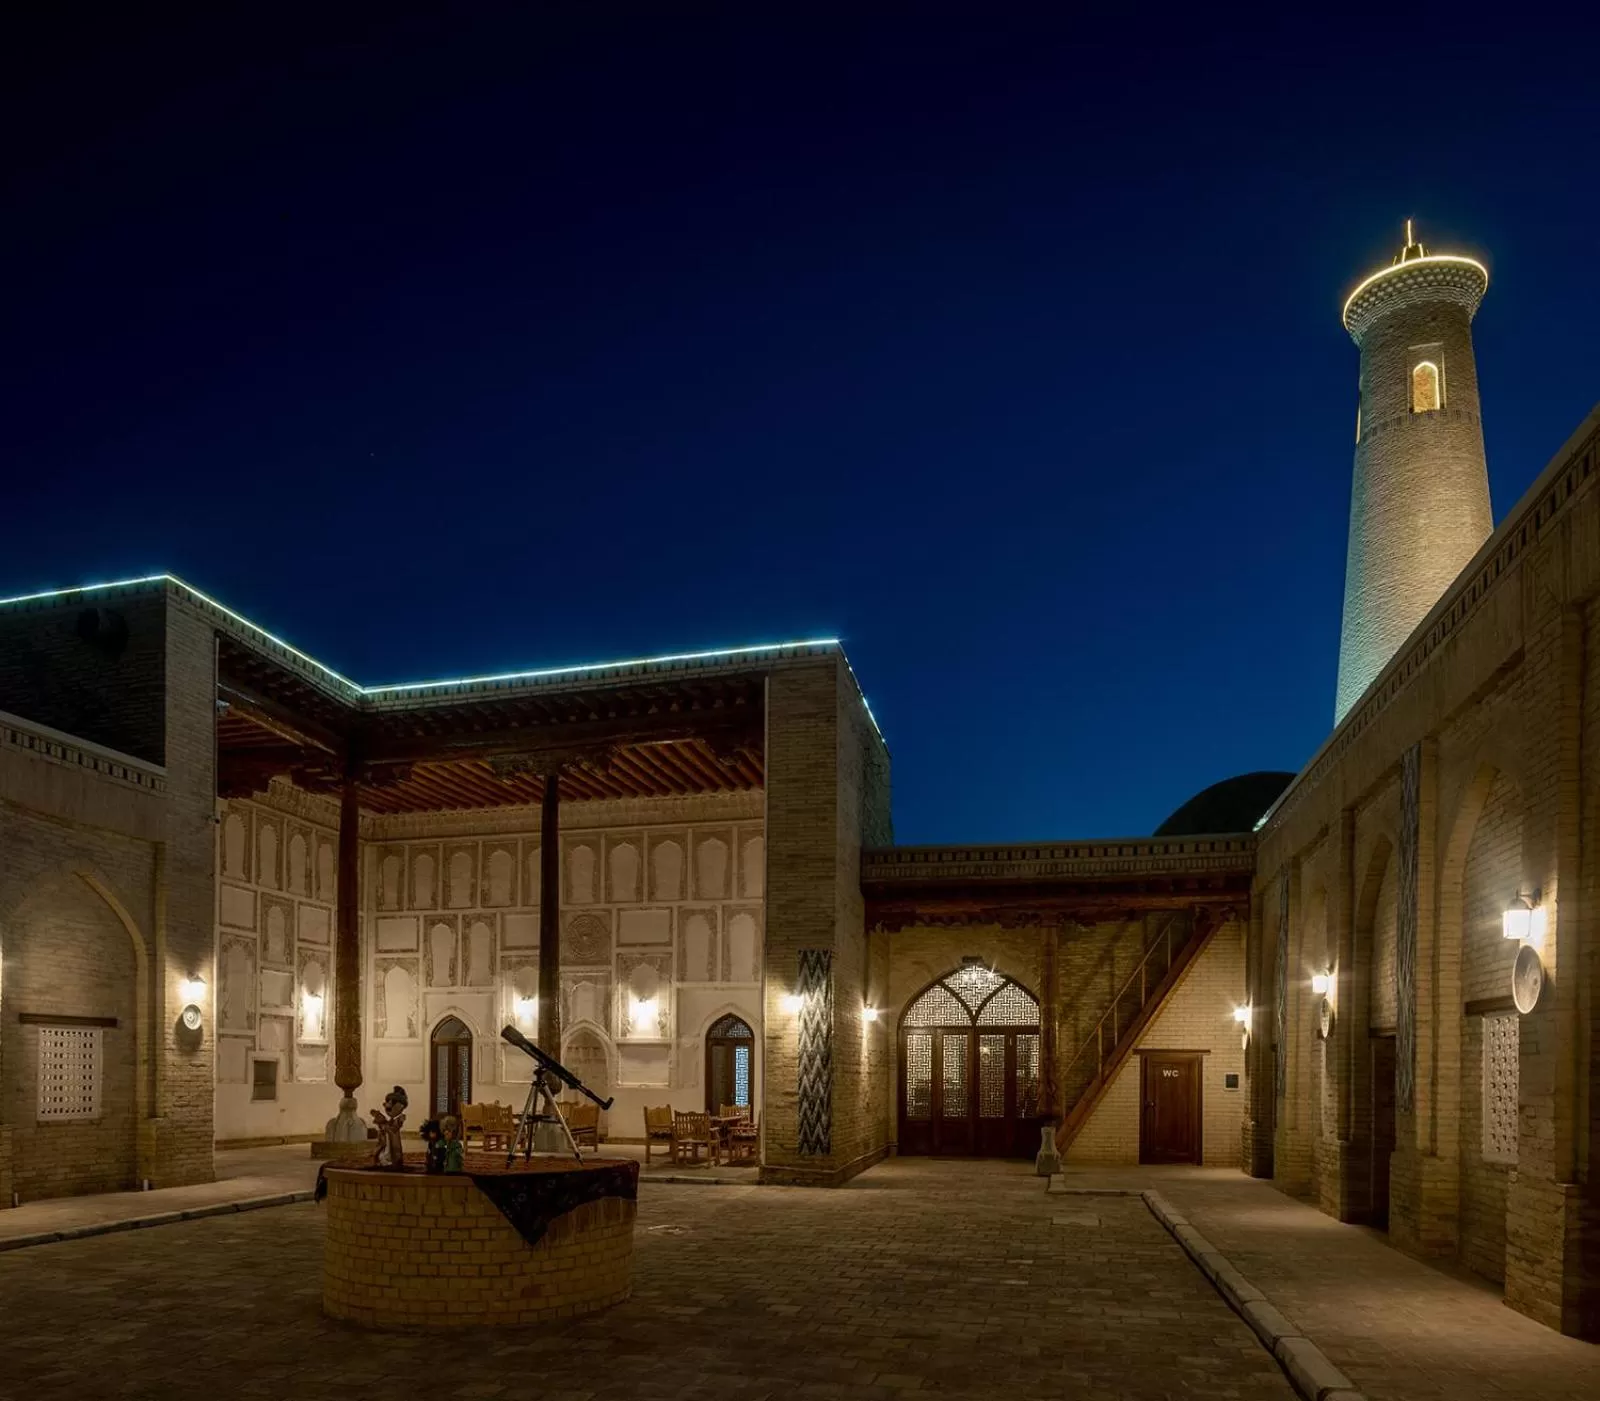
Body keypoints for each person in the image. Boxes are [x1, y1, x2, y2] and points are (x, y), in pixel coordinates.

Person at [371, 1086, 408, 1168]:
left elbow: (394, 1128)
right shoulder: (390, 1119)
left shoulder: (399, 1119)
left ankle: (392, 1161)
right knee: (384, 1148)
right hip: (386, 1138)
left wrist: (385, 1127)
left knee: (393, 1149)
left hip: (393, 1138)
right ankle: (382, 1160)